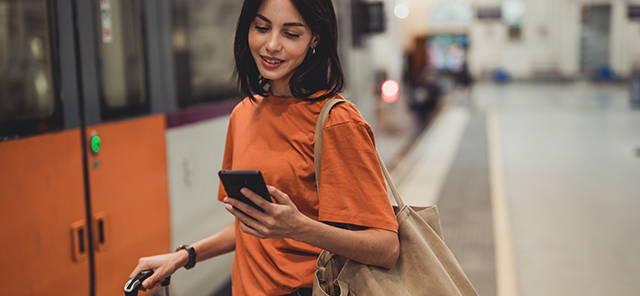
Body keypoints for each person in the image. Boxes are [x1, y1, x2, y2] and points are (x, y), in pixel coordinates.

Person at [129, 0, 399, 295]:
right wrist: (185, 255)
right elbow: (258, 224)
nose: (271, 45)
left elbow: (386, 247)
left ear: (315, 39)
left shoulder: (337, 122)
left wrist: (300, 228)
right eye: (261, 28)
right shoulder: (244, 113)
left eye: (291, 34)